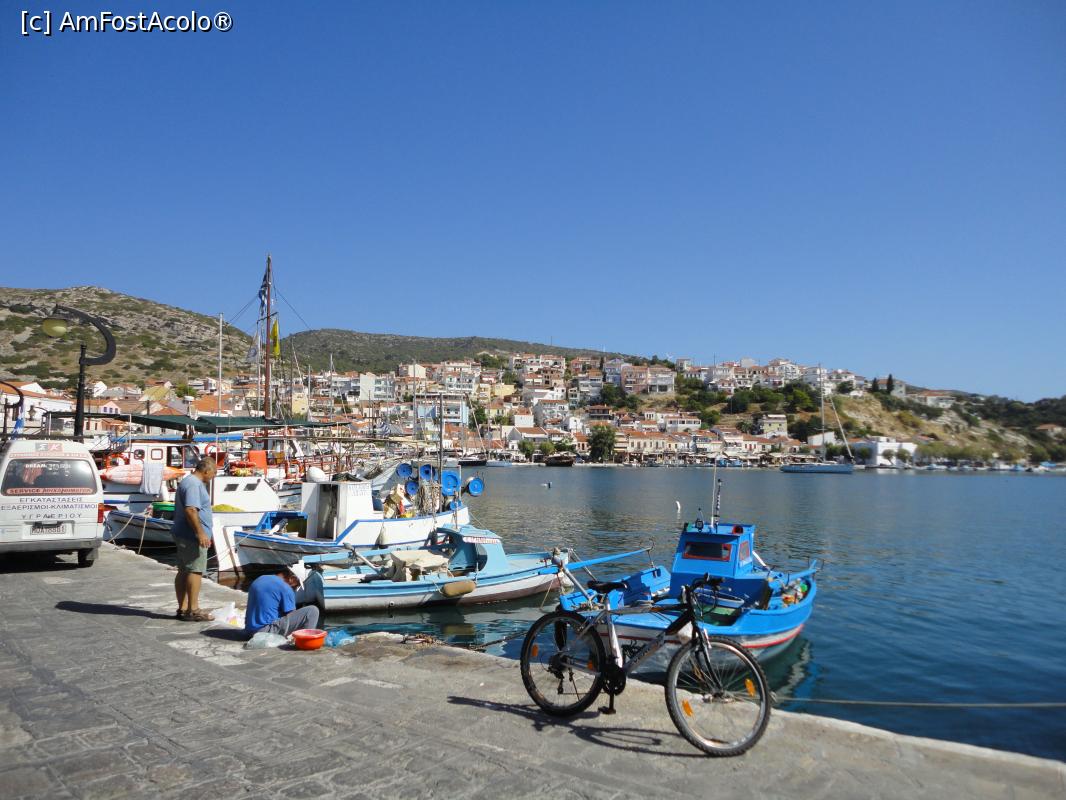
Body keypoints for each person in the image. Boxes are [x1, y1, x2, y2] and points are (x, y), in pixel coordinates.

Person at [171, 457, 217, 621]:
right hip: (191, 535)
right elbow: (191, 510)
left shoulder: (188, 481)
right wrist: (200, 533)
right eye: (213, 473)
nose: (213, 476)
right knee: (195, 570)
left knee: (184, 570)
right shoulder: (194, 484)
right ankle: (193, 609)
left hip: (183, 533)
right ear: (206, 471)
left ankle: (183, 609)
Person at [244, 566, 320, 638]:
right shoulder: (286, 588)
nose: (296, 588)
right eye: (297, 585)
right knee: (312, 611)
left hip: (250, 631)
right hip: (266, 631)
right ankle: (305, 641)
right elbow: (291, 614)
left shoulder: (260, 579)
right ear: (292, 579)